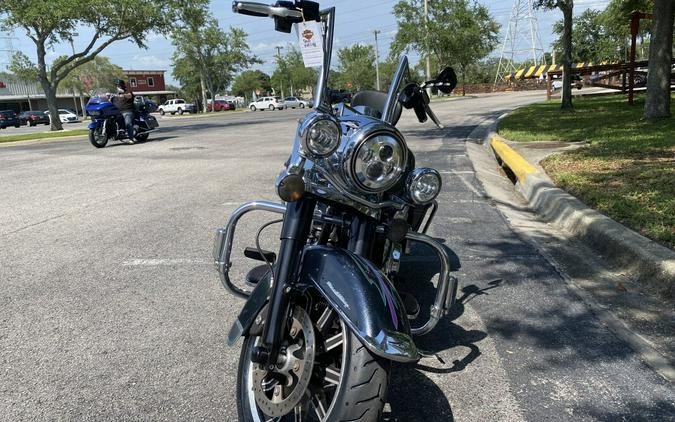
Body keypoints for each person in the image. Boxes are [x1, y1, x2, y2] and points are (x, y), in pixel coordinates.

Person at [112, 79, 136, 144]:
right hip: (117, 112)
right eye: (116, 85)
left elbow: (130, 95)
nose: (117, 86)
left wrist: (124, 95)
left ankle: (131, 138)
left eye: (118, 85)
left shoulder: (127, 91)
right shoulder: (115, 94)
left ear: (122, 85)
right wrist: (105, 96)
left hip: (127, 110)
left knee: (128, 123)